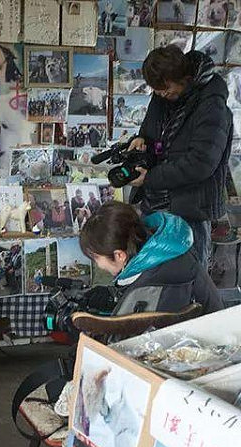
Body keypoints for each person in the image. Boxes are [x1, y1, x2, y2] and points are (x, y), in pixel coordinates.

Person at [128, 45, 234, 267]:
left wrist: (150, 178)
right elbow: (151, 131)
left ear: (186, 79)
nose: (162, 95)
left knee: (189, 280)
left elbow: (200, 164)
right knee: (157, 278)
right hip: (156, 204)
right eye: (156, 91)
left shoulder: (212, 106)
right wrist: (140, 140)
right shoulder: (163, 97)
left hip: (189, 209)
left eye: (166, 89)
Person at [79, 202, 223, 315]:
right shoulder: (161, 252)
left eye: (96, 258)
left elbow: (124, 342)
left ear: (119, 255)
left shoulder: (152, 284)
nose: (98, 265)